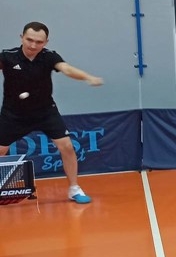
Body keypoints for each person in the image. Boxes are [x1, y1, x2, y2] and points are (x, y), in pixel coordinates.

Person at [0, 22, 103, 204]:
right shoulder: (8, 57)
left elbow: (66, 69)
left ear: (46, 42)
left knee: (67, 147)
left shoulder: (49, 57)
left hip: (45, 112)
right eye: (29, 40)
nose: (33, 45)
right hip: (13, 114)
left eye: (39, 42)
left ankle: (74, 189)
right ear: (21, 38)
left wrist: (88, 77)